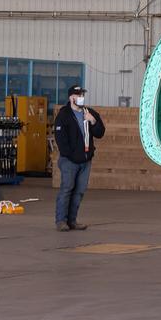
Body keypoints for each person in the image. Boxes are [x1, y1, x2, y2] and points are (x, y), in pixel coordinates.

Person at [53, 84, 104, 232]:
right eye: (77, 95)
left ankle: (72, 221)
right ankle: (61, 221)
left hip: (86, 160)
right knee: (67, 189)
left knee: (79, 191)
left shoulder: (90, 113)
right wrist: (70, 154)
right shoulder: (64, 115)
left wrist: (93, 121)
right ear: (71, 97)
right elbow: (60, 138)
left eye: (82, 95)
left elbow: (100, 133)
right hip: (69, 160)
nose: (80, 98)